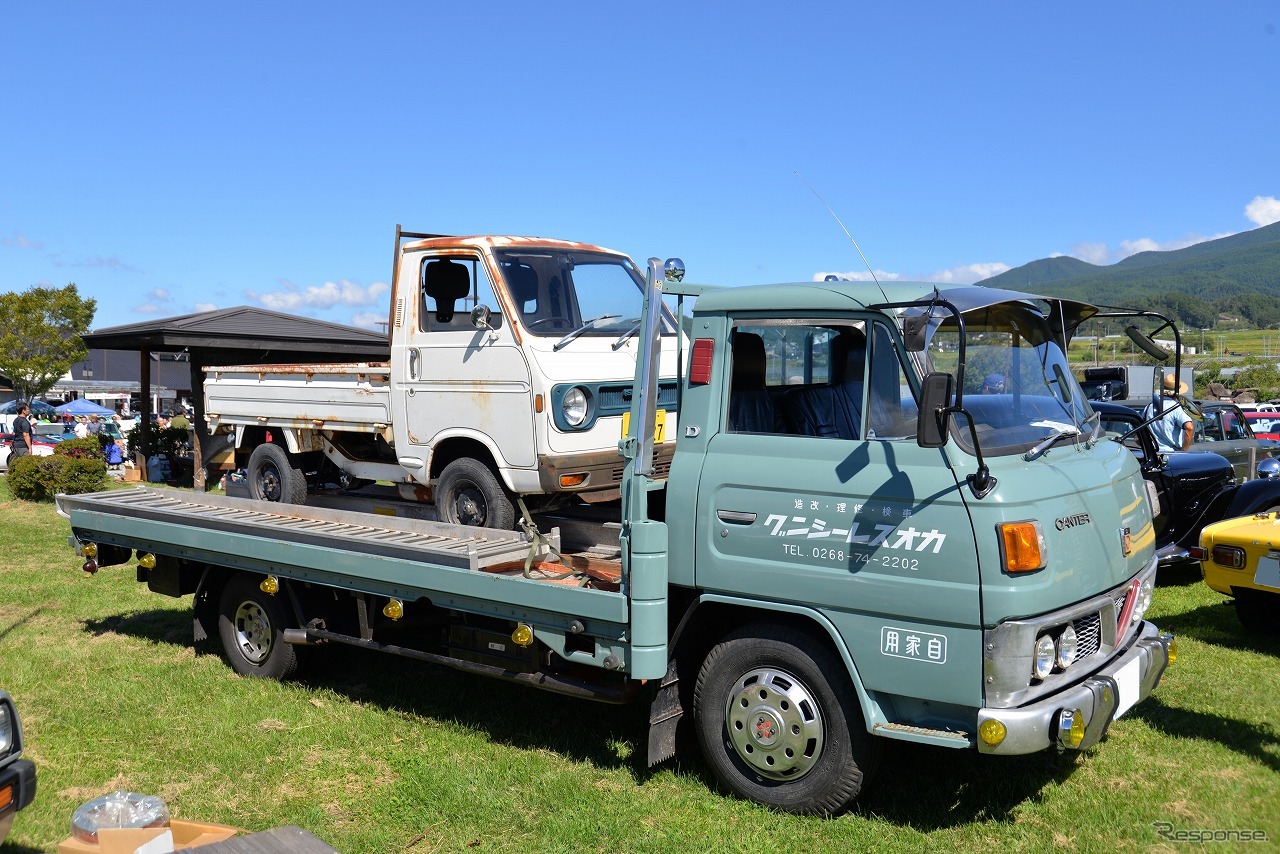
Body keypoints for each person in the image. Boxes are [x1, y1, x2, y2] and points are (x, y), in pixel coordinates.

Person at [1145, 373, 1194, 453]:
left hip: (1152, 454)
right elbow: (1189, 427)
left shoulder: (1149, 407)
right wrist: (1183, 450)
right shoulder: (1176, 408)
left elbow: (1139, 435)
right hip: (1172, 454)